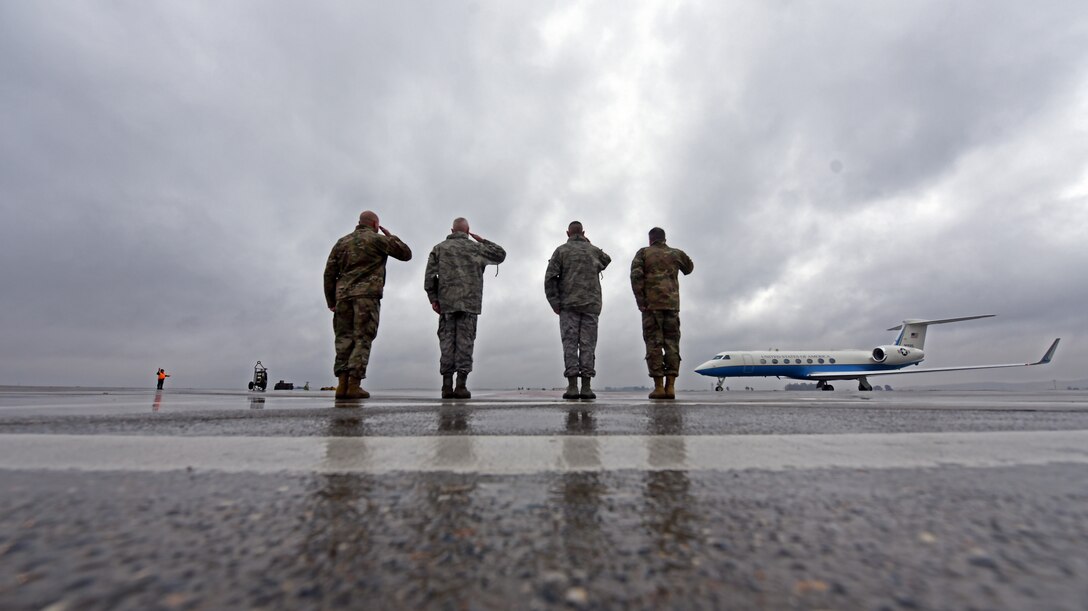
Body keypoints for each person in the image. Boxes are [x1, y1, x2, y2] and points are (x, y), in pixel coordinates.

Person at [324, 210, 412, 401]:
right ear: (374, 225)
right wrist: (391, 236)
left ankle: (341, 386)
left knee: (343, 339)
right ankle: (354, 386)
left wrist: (331, 301)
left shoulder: (341, 242)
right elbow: (406, 254)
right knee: (362, 337)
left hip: (343, 297)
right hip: (367, 296)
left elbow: (329, 273)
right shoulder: (377, 240)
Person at [424, 217, 506, 398]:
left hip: (447, 303)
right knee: (465, 343)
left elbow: (430, 276)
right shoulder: (477, 248)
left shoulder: (439, 248)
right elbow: (500, 254)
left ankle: (446, 386)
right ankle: (460, 386)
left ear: (452, 231)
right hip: (469, 304)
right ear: (467, 231)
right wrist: (481, 240)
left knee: (446, 343)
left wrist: (433, 298)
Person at [544, 221, 611, 399]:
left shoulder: (561, 251)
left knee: (570, 344)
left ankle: (573, 387)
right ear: (583, 232)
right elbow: (607, 259)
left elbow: (550, 278)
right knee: (588, 345)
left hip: (568, 305)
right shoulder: (594, 250)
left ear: (567, 233)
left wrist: (554, 303)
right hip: (591, 304)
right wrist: (588, 243)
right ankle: (587, 387)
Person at [630, 226, 694, 399]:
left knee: (654, 344)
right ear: (665, 239)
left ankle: (658, 387)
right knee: (672, 344)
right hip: (672, 306)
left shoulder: (643, 253)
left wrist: (640, 301)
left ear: (650, 239)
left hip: (651, 307)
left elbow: (635, 277)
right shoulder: (676, 254)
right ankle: (671, 387)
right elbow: (689, 268)